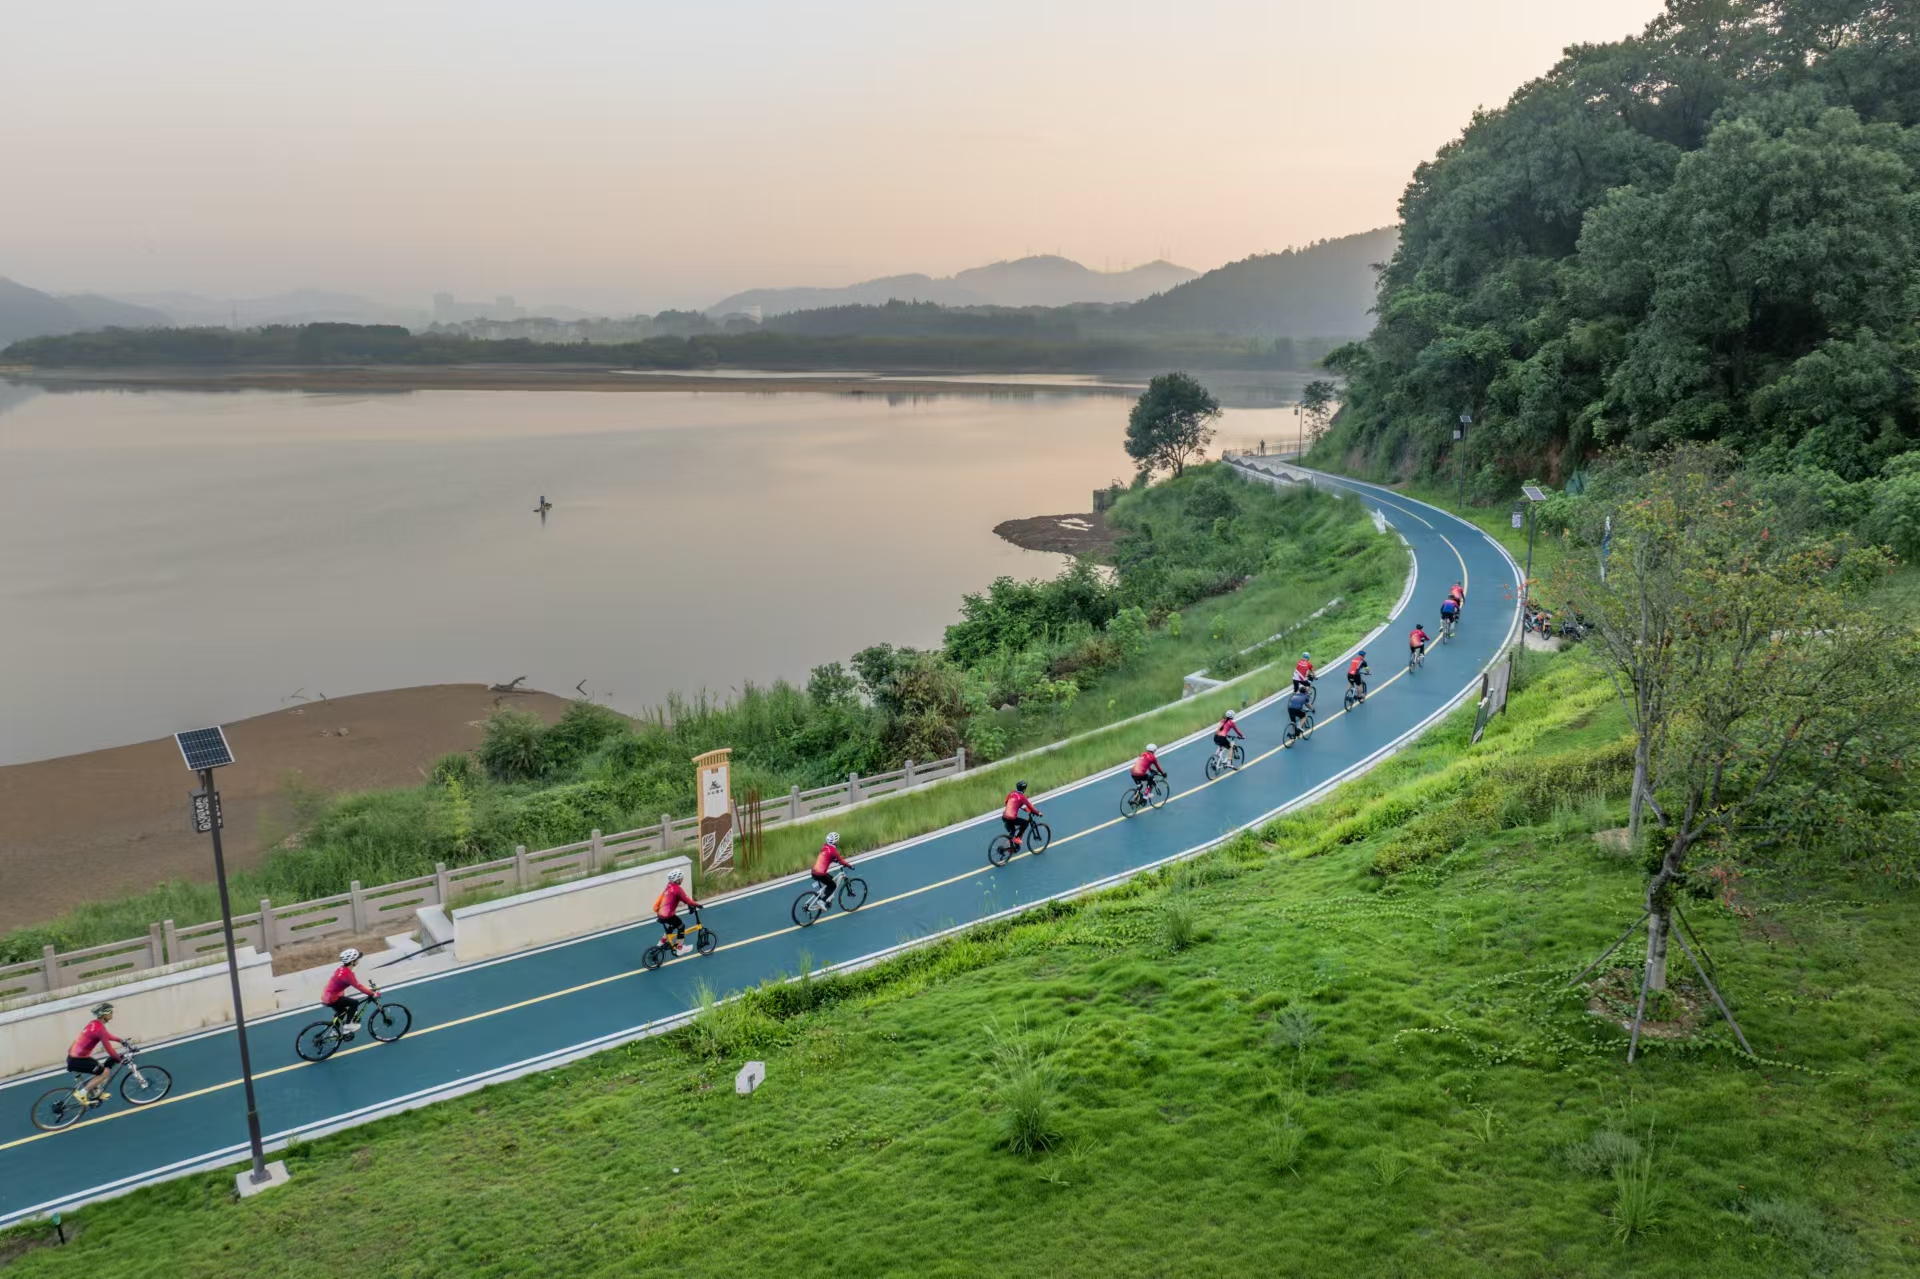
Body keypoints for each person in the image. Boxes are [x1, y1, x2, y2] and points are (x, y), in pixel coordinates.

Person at [67, 1002, 131, 1102]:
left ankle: (95, 1092)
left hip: (75, 1057)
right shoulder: (100, 1029)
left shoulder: (93, 1023)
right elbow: (109, 1050)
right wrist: (119, 1060)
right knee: (105, 1072)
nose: (112, 1014)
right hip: (78, 1060)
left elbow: (106, 1035)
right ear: (104, 1014)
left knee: (100, 1067)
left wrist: (120, 1040)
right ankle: (82, 1094)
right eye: (110, 1012)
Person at [322, 949, 377, 1035]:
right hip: (332, 998)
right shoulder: (348, 975)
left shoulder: (341, 969)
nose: (358, 960)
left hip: (328, 996)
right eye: (357, 959)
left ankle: (334, 1032)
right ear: (352, 962)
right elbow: (359, 986)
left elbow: (337, 984)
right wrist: (372, 993)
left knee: (342, 1012)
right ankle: (348, 1025)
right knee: (354, 1003)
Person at [653, 869, 702, 956]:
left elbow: (674, 899)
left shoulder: (669, 885)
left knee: (673, 924)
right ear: (677, 880)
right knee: (681, 925)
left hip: (661, 914)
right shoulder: (678, 889)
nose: (682, 879)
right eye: (681, 878)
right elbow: (687, 900)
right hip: (668, 915)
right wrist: (698, 905)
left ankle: (661, 942)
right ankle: (680, 948)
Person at [812, 833, 852, 906]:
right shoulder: (834, 851)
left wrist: (833, 860)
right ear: (835, 842)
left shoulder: (824, 846)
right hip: (820, 874)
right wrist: (849, 866)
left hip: (814, 871)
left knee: (831, 879)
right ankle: (822, 901)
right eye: (837, 840)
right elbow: (842, 861)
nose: (838, 841)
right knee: (833, 885)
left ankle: (827, 897)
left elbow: (826, 857)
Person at [1002, 784, 1042, 849]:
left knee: (1012, 831)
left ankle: (1012, 847)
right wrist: (1038, 813)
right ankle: (1018, 839)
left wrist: (1017, 806)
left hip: (1004, 817)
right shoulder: (1022, 797)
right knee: (1025, 823)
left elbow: (1006, 802)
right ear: (1024, 789)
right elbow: (1030, 806)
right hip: (1011, 818)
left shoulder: (1012, 793)